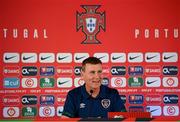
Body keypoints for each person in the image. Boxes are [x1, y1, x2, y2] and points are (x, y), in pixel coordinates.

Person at [62, 57, 126, 118]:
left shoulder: (113, 93)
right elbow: (65, 120)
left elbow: (124, 118)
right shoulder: (73, 95)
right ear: (82, 75)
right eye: (92, 72)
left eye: (99, 72)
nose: (97, 76)